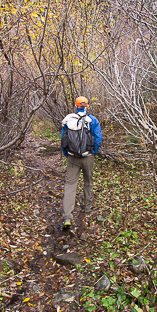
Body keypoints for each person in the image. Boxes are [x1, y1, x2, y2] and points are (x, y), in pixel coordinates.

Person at [61, 96, 103, 229]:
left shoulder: (69, 119)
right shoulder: (93, 120)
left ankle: (67, 217)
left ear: (76, 106)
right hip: (88, 157)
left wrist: (67, 154)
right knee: (88, 181)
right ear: (87, 106)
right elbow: (98, 138)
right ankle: (87, 207)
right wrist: (93, 152)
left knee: (70, 185)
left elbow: (63, 139)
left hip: (73, 158)